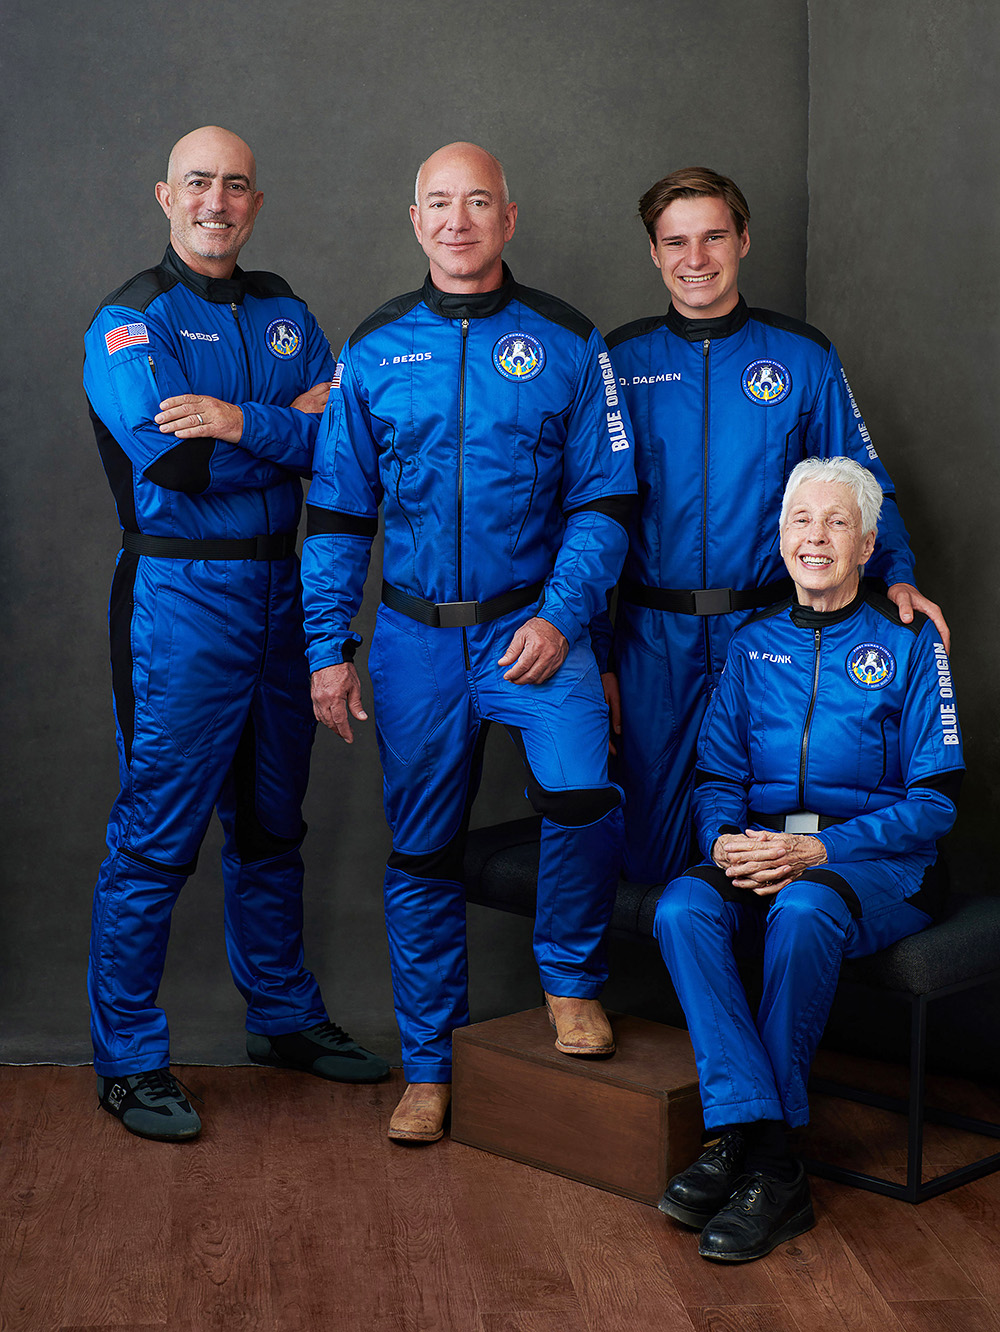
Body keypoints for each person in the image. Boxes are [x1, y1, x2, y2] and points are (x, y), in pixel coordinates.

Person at [301, 142, 636, 1143]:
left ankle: (571, 980)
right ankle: (430, 1066)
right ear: (415, 221)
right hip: (412, 642)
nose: (457, 221)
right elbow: (335, 515)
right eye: (439, 204)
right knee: (423, 852)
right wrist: (329, 647)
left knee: (582, 795)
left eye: (477, 202)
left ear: (508, 216)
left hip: (534, 629)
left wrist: (559, 616)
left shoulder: (569, 343)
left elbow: (605, 502)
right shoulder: (372, 350)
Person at [84, 126, 388, 1142]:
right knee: (156, 836)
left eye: (237, 185)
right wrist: (281, 428)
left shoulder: (289, 312)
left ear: (257, 201)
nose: (218, 201)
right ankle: (127, 1060)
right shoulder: (132, 321)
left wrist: (236, 417)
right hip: (181, 603)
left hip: (283, 597)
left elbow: (346, 449)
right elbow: (178, 470)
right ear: (165, 193)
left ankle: (284, 1018)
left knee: (270, 826)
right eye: (199, 183)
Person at [601, 167, 949, 886]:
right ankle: (676, 996)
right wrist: (599, 653)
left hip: (768, 627)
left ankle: (775, 992)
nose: (696, 259)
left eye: (714, 237)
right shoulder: (621, 361)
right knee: (655, 836)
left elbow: (863, 485)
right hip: (648, 642)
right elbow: (591, 514)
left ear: (745, 240)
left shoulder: (800, 356)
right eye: (676, 242)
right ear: (654, 253)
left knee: (765, 825)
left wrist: (902, 576)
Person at [654, 456, 963, 1262]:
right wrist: (724, 841)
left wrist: (820, 847)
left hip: (880, 865)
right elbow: (718, 775)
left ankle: (763, 1159)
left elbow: (935, 803)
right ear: (781, 538)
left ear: (866, 545)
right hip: (767, 850)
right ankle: (752, 1137)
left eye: (836, 523)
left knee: (802, 905)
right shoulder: (752, 648)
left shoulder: (909, 649)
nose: (815, 537)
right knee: (682, 907)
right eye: (801, 521)